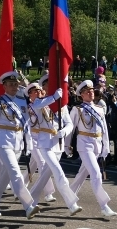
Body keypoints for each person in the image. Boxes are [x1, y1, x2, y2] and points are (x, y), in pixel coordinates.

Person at [0, 71, 40, 219]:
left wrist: (28, 144)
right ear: (4, 86)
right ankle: (28, 205)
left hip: (17, 142)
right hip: (1, 141)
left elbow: (26, 124)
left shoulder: (22, 102)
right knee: (15, 171)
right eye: (10, 84)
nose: (14, 86)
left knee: (5, 177)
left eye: (15, 84)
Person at [27, 84, 81, 215]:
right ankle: (72, 203)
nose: (39, 92)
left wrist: (64, 132)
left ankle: (29, 200)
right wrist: (55, 96)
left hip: (57, 144)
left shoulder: (60, 106)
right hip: (45, 143)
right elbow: (40, 104)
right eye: (36, 91)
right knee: (58, 172)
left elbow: (69, 123)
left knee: (45, 175)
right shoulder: (37, 105)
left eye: (41, 90)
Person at [67, 80, 117, 217]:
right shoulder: (78, 110)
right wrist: (67, 145)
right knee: (96, 174)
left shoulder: (100, 109)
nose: (90, 93)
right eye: (87, 91)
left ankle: (68, 196)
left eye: (91, 91)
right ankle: (104, 205)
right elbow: (70, 129)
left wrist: (106, 146)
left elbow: (104, 129)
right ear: (81, 95)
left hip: (98, 143)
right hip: (85, 144)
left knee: (82, 173)